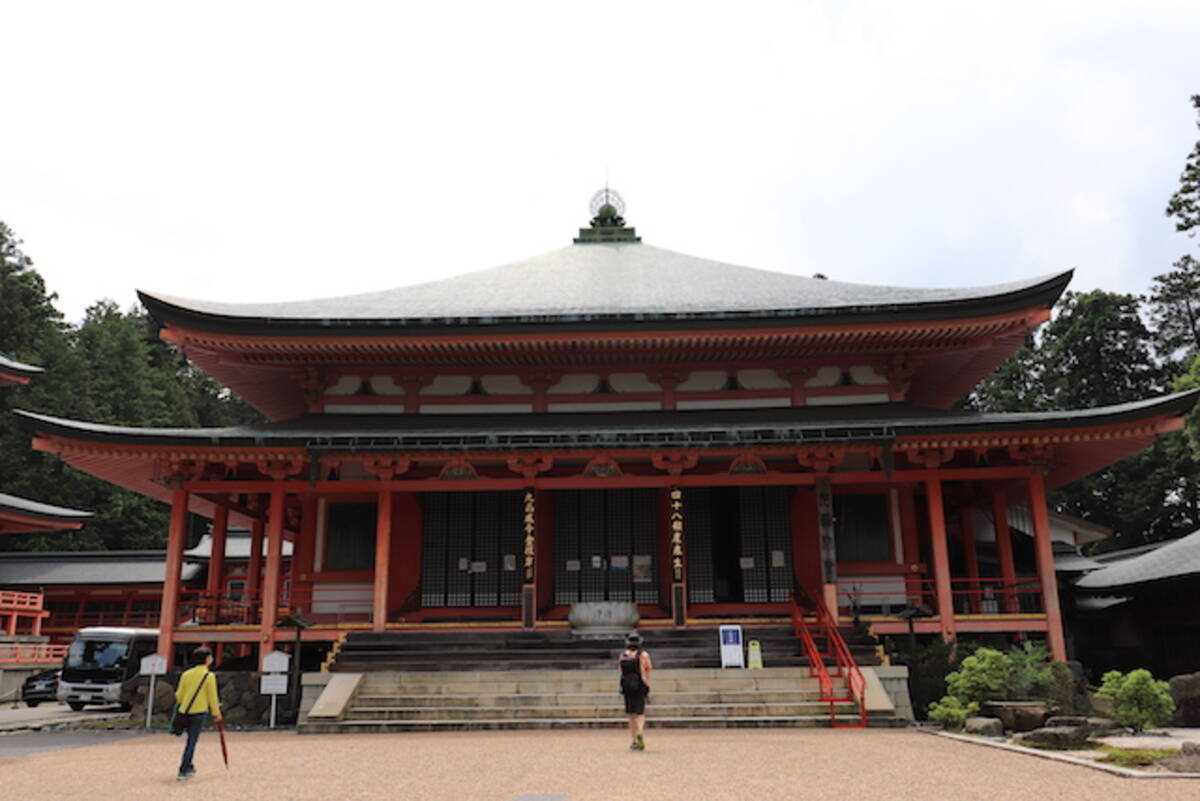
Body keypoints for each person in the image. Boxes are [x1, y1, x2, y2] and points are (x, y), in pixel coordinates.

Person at [174, 645, 222, 780]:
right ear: (207, 659)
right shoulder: (208, 675)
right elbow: (212, 696)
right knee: (192, 741)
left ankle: (189, 765)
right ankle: (183, 768)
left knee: (190, 739)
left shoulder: (186, 674)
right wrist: (216, 713)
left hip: (185, 711)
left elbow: (179, 695)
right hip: (199, 711)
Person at [618, 631, 652, 751]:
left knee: (631, 714)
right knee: (640, 713)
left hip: (627, 685)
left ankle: (633, 740)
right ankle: (640, 732)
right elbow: (648, 668)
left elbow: (620, 670)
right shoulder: (643, 655)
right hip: (640, 684)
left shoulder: (623, 655)